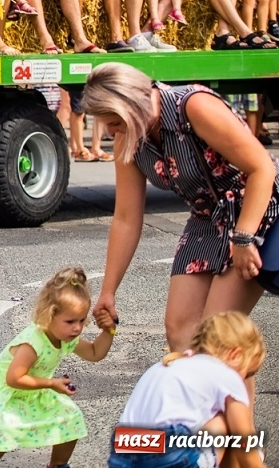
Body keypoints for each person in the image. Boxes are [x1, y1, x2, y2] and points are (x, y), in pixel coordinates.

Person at [85, 62, 279, 351]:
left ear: (131, 104)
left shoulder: (193, 106)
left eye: (113, 121)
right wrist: (109, 291)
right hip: (206, 217)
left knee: (216, 335)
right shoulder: (130, 138)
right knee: (179, 329)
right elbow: (126, 218)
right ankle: (201, 393)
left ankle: (233, 394)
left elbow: (262, 168)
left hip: (252, 208)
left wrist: (243, 237)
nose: (111, 132)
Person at [0, 266, 115, 468]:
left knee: (70, 418)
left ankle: (58, 465)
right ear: (49, 315)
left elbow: (95, 353)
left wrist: (110, 329)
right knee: (3, 431)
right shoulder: (33, 342)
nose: (77, 327)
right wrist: (50, 383)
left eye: (82, 320)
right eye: (70, 321)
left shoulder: (65, 337)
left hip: (34, 391)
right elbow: (14, 378)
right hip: (5, 395)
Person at [106, 311, 264, 468]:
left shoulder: (168, 364)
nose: (243, 380)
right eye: (247, 373)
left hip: (124, 448)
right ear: (235, 355)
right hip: (169, 451)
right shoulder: (227, 375)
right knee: (225, 422)